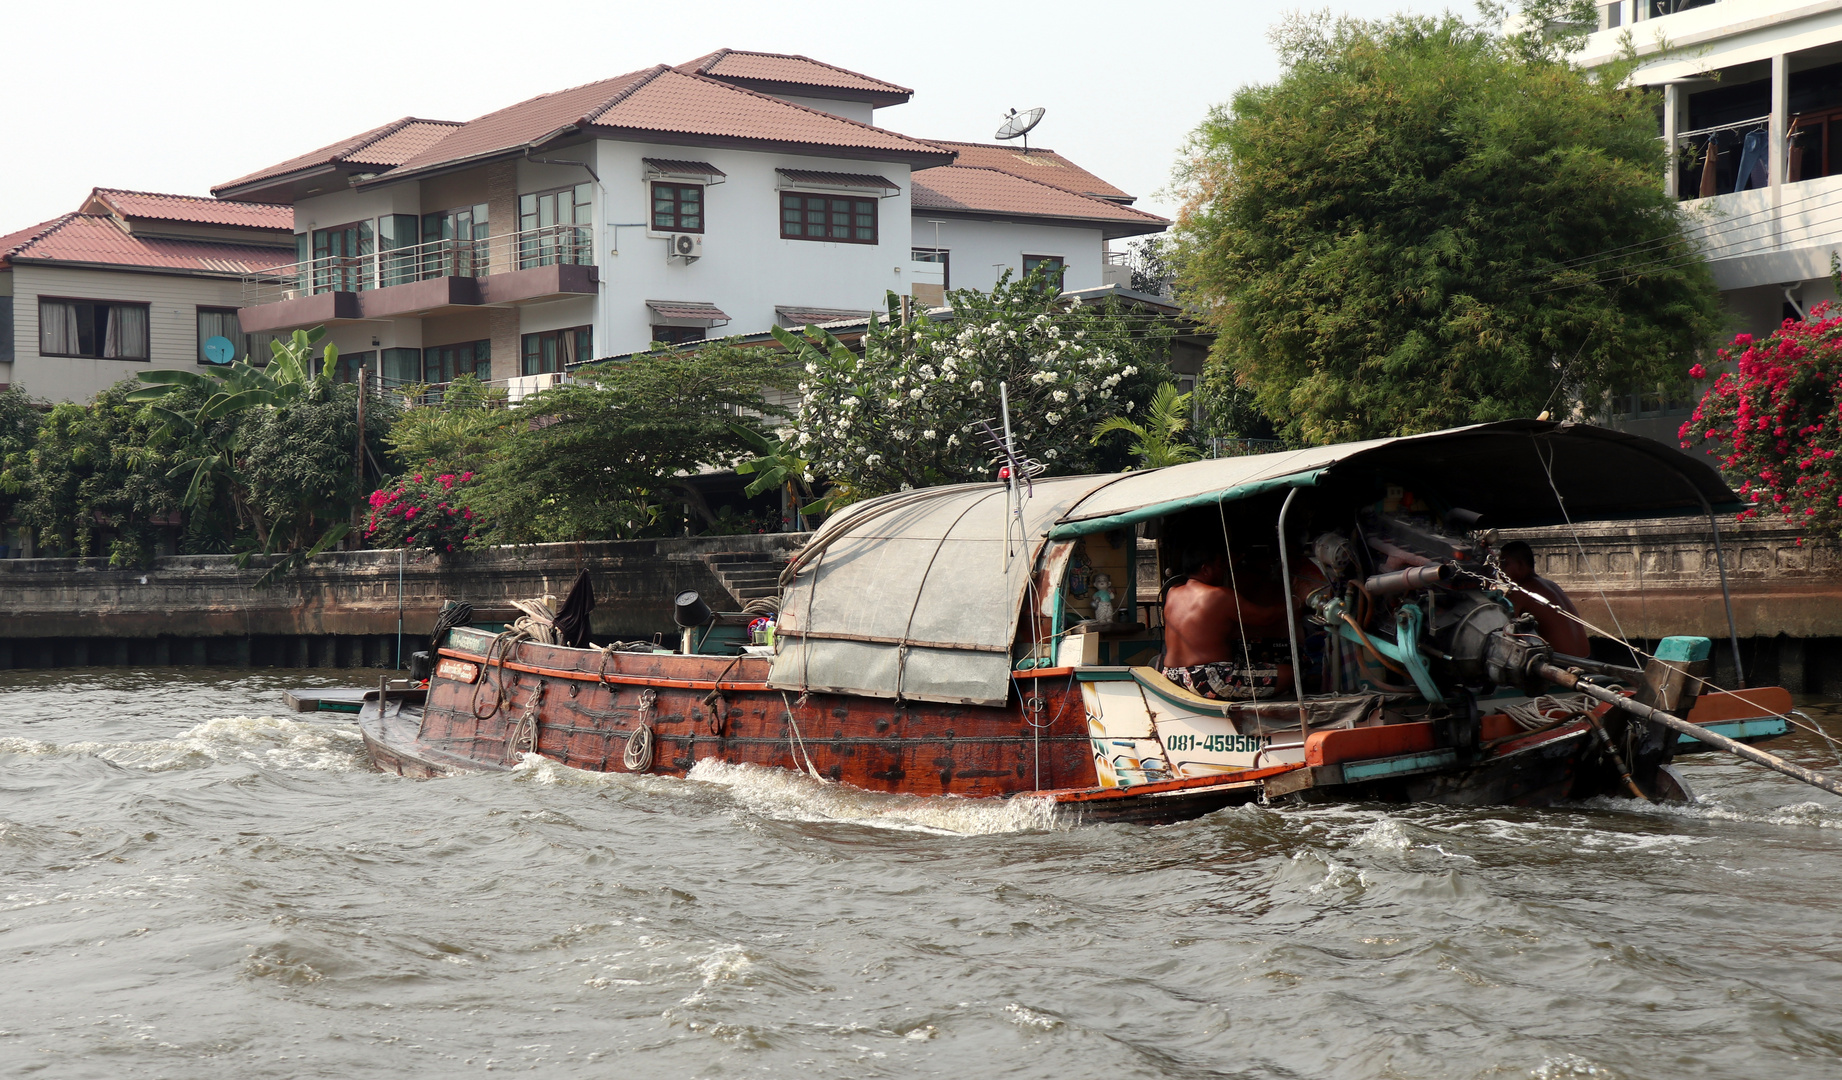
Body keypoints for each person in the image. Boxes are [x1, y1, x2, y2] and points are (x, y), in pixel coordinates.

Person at [1160, 543, 1294, 700]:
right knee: (1290, 674)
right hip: (1208, 679)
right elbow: (1266, 617)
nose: (1224, 571)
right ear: (1205, 569)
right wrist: (1297, 602)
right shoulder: (1219, 595)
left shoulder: (1172, 592)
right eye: (1220, 566)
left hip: (1172, 676)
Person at [1498, 540, 1590, 657]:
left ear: (1520, 565)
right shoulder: (1551, 584)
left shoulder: (1520, 592)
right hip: (1587, 657)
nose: (1500, 569)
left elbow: (1500, 626)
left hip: (1561, 663)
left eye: (1504, 564)